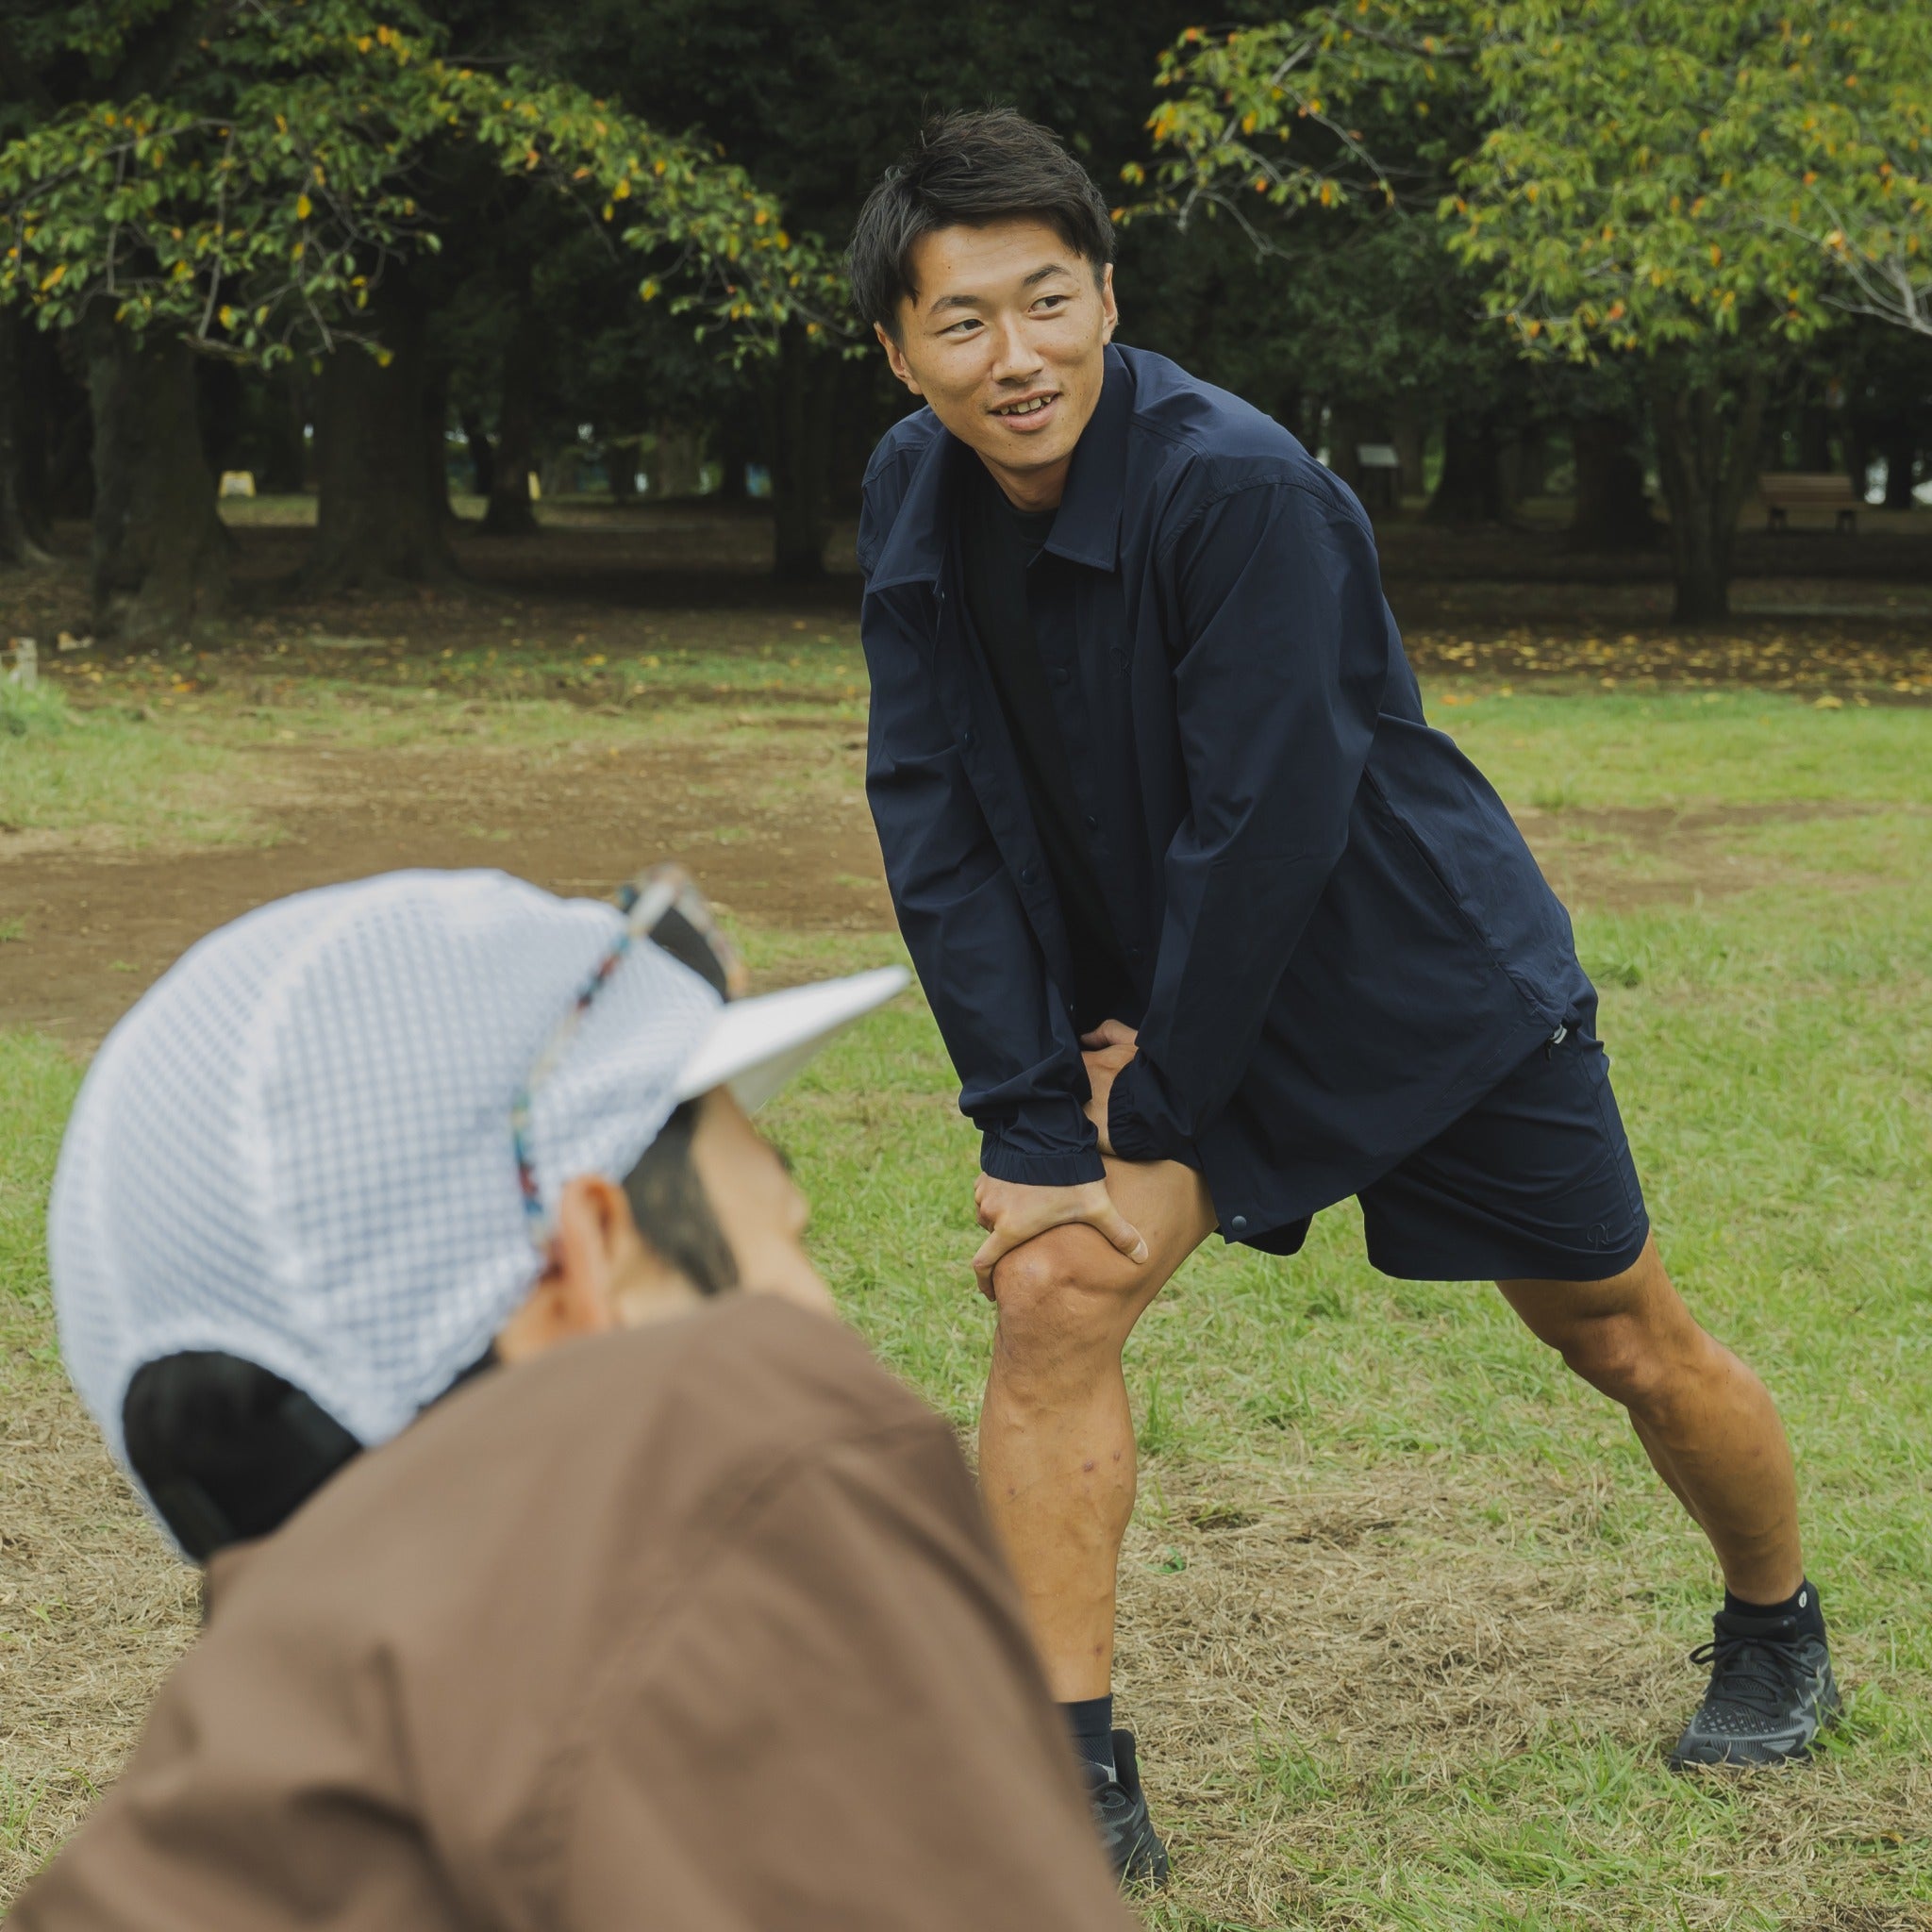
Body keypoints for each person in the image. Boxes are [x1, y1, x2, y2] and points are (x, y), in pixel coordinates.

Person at [849, 109, 1838, 1883]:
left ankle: (1775, 1620)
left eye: (1047, 302)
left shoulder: (1239, 485)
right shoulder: (906, 491)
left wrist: (1142, 1097)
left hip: (1409, 982)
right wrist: (1024, 1107)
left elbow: (1269, 818)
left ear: (1105, 295)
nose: (1015, 358)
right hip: (1161, 1008)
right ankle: (1065, 1770)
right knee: (1056, 1285)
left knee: (1618, 1330)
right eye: (964, 321)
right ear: (897, 348)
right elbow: (929, 804)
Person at [12, 863, 1134, 1932]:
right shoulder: (771, 1547)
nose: (822, 1311)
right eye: (782, 1236)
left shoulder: (190, 1850)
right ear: (578, 1265)